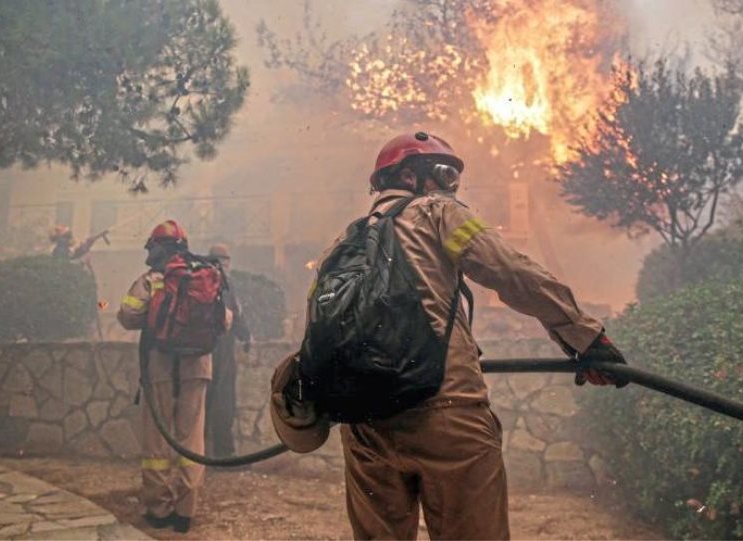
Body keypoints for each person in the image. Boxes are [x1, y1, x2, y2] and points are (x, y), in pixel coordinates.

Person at [270, 132, 629, 540]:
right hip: (446, 415)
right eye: (445, 175)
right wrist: (585, 337)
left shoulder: (339, 245)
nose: (450, 187)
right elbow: (511, 271)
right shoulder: (438, 213)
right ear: (410, 176)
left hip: (365, 427)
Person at [117, 220, 230, 534]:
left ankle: (159, 509)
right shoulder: (206, 274)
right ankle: (185, 509)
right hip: (198, 367)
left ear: (157, 248)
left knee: (158, 439)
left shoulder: (153, 279)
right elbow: (225, 321)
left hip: (161, 367)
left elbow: (128, 316)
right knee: (191, 438)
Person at [204, 243, 251, 456]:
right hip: (221, 349)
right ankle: (223, 453)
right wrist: (246, 336)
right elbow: (235, 315)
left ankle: (199, 456)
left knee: (201, 405)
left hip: (201, 351)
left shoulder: (199, 282)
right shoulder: (225, 284)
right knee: (223, 402)